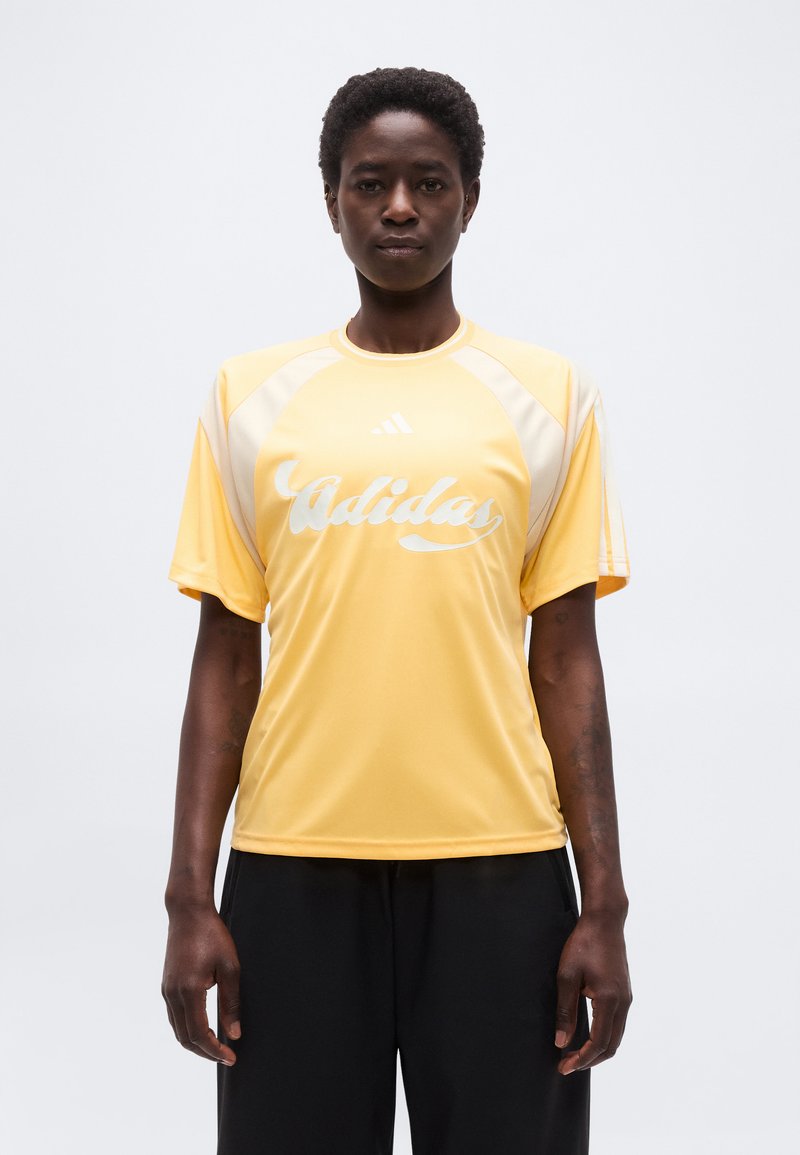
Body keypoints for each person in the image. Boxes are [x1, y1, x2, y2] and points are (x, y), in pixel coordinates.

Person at [162, 66, 632, 1155]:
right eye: (370, 183)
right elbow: (225, 655)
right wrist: (188, 897)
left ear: (471, 198)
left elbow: (566, 660)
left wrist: (603, 905)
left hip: (502, 868)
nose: (400, 208)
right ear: (331, 200)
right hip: (291, 867)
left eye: (429, 182)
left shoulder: (548, 397)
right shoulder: (250, 398)